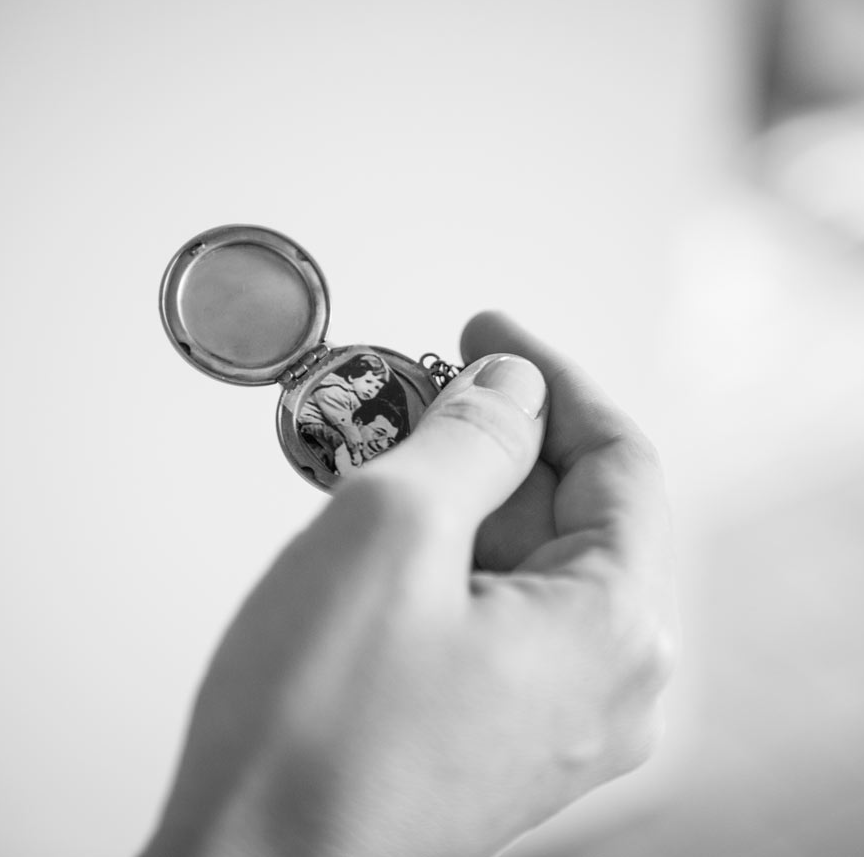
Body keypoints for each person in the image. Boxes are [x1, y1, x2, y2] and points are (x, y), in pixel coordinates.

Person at [139, 311, 676, 857]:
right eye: (366, 389)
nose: (372, 390)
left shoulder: (350, 406)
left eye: (373, 385)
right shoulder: (335, 414)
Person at [297, 352, 392, 470]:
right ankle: (346, 471)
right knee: (339, 442)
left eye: (377, 387)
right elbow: (345, 426)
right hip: (308, 422)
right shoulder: (337, 392)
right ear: (352, 377)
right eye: (368, 382)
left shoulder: (348, 396)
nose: (371, 389)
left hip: (314, 424)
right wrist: (356, 452)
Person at [332, 397, 403, 476]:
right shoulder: (327, 455)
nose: (382, 445)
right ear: (357, 424)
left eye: (389, 441)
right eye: (379, 433)